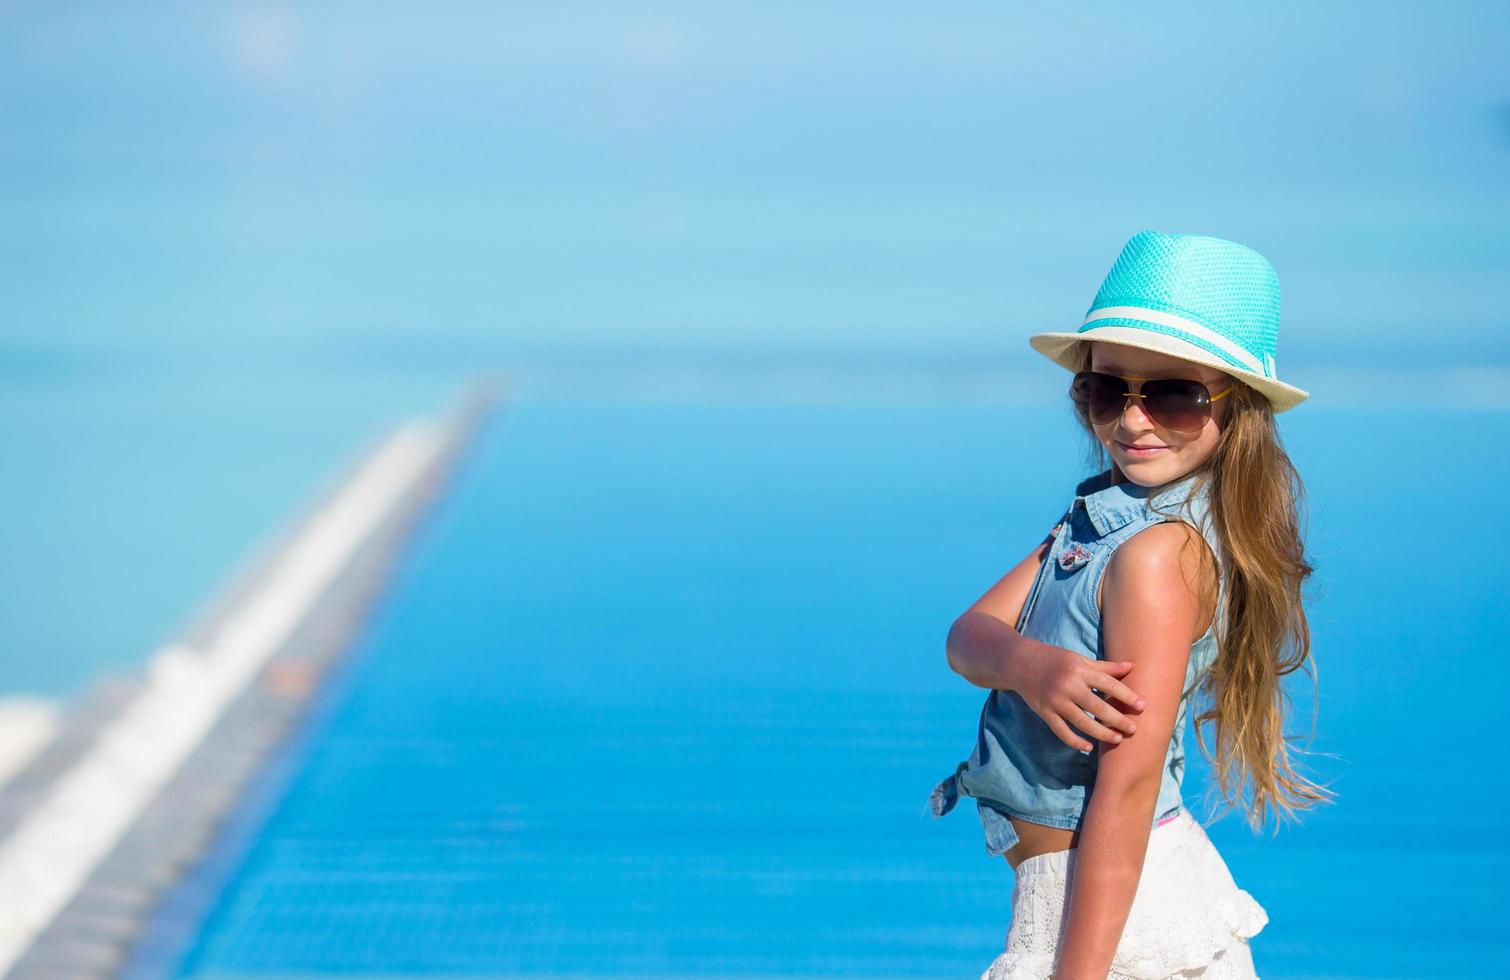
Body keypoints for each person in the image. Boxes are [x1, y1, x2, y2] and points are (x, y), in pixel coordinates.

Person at [924, 230, 1336, 979]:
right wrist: (1033, 666)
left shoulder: (1156, 558)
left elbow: (1129, 785)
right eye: (1107, 389)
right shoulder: (1102, 523)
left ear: (1236, 408)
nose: (1133, 420)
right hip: (1105, 910)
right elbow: (966, 637)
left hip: (1115, 927)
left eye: (1175, 395)